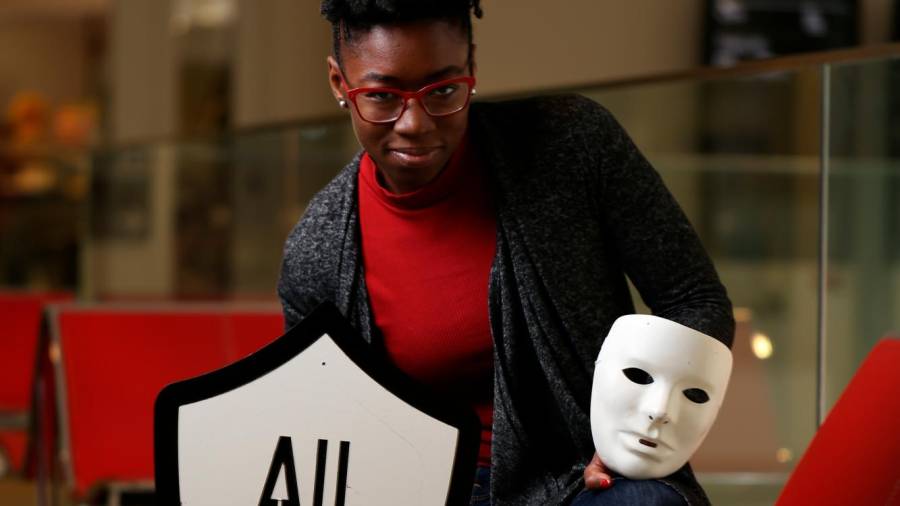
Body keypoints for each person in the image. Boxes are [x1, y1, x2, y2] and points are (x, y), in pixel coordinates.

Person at [277, 1, 735, 504]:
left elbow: (693, 298)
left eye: (443, 91)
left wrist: (633, 440)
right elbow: (324, 433)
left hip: (583, 479)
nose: (414, 123)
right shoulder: (315, 254)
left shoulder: (572, 145)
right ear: (340, 84)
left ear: (472, 67)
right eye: (382, 97)